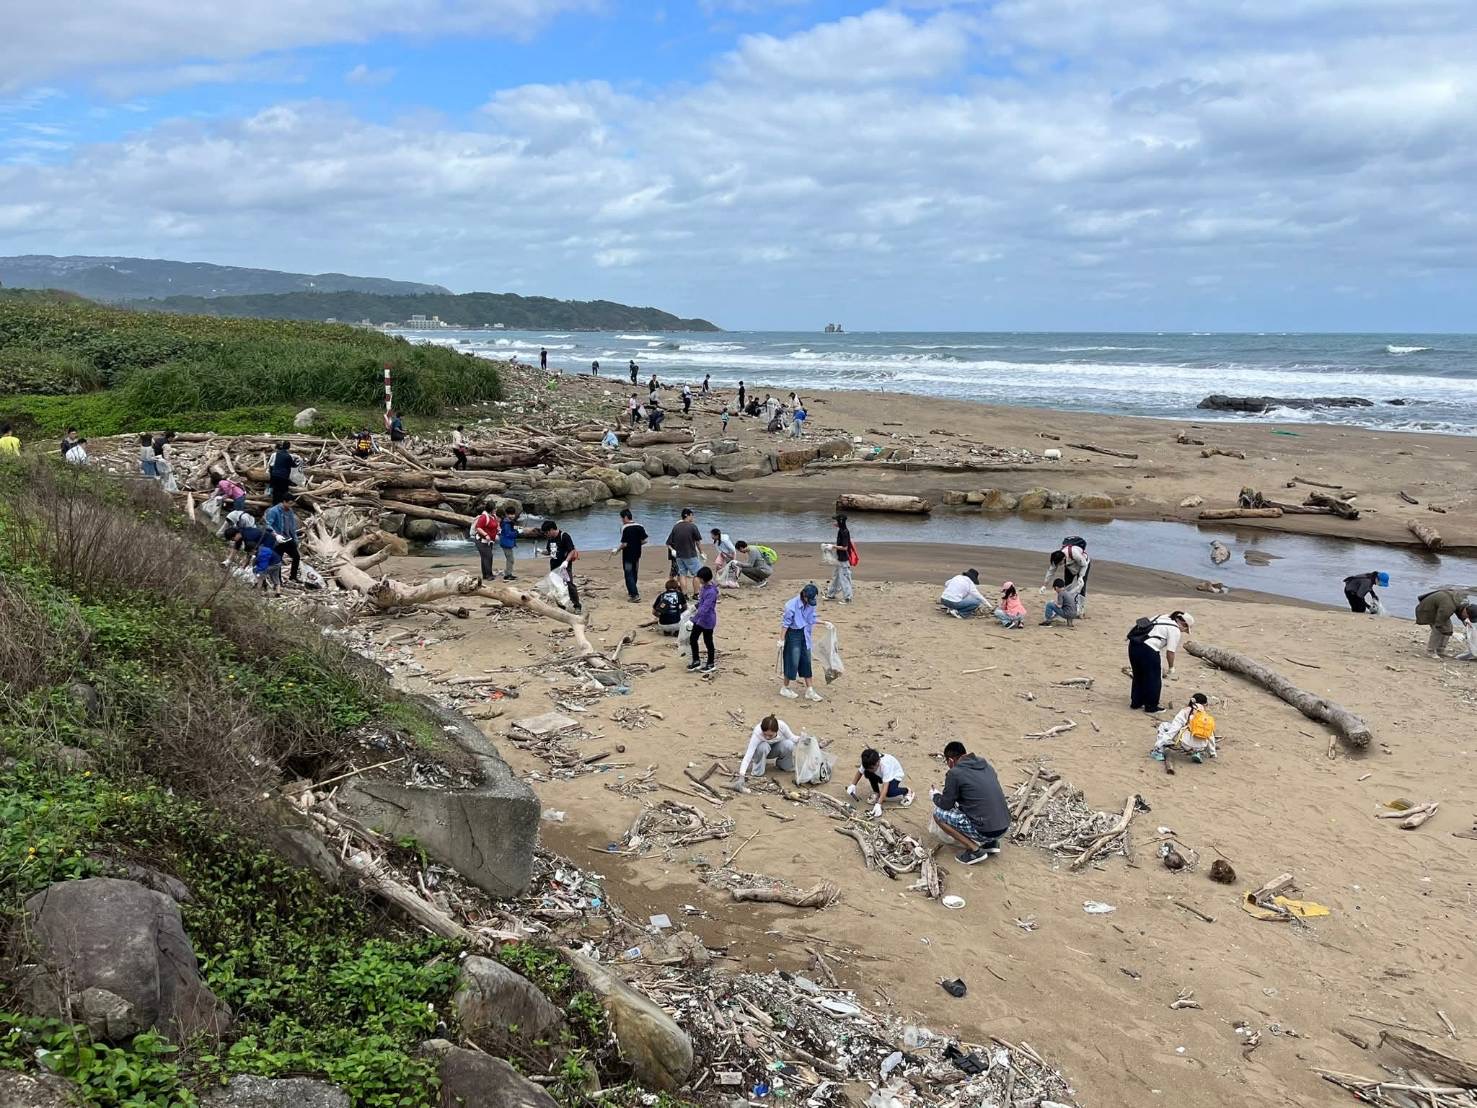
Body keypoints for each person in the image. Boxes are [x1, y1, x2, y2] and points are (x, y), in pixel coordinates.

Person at [931, 741, 1010, 865]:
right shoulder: (986, 766)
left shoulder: (955, 773)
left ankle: (974, 850)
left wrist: (935, 796)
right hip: (1004, 826)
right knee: (978, 804)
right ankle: (991, 843)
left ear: (950, 760)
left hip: (985, 830)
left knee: (938, 814)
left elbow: (946, 804)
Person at [1127, 611, 1194, 713]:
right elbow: (1170, 652)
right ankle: (1151, 706)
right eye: (1185, 630)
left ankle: (1136, 702)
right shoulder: (1175, 630)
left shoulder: (1162, 616)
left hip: (1134, 645)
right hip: (1149, 650)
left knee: (1138, 674)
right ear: (1184, 624)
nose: (1183, 631)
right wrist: (1171, 667)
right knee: (1154, 679)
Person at [780, 583, 824, 701]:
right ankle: (785, 687)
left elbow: (811, 618)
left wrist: (824, 623)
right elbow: (785, 624)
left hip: (805, 632)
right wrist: (781, 639)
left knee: (806, 659)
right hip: (793, 633)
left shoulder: (810, 604)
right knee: (792, 660)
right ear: (803, 595)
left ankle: (810, 689)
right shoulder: (790, 606)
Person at [1151, 693, 1217, 767]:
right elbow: (1210, 736)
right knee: (1200, 734)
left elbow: (1174, 729)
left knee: (1163, 726)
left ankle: (1158, 751)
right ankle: (1197, 752)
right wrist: (1213, 753)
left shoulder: (1185, 711)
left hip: (1186, 744)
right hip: (1201, 747)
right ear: (1205, 704)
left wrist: (1161, 743)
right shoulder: (1206, 717)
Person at [733, 716, 800, 787]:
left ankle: (783, 764)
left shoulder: (782, 726)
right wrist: (741, 776)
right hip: (761, 751)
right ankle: (758, 770)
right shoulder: (757, 732)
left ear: (776, 731)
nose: (767, 737)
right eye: (765, 734)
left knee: (789, 744)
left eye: (770, 735)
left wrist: (802, 739)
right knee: (763, 746)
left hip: (775, 749)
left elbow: (793, 738)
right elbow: (748, 756)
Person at [848, 748, 913, 817]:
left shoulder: (885, 766)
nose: (870, 770)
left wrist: (879, 804)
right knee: (868, 773)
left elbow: (885, 786)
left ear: (878, 762)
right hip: (881, 775)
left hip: (894, 775)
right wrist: (853, 785)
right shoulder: (867, 761)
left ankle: (907, 791)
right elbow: (860, 772)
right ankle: (876, 793)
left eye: (872, 768)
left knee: (889, 792)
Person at [1415, 587, 1474, 659]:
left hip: (1439, 608)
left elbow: (1460, 611)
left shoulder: (1463, 603)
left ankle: (1440, 650)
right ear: (1466, 611)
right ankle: (1430, 651)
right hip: (1427, 610)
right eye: (1468, 616)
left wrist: (1465, 620)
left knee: (1448, 627)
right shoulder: (1448, 607)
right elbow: (1439, 623)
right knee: (1438, 630)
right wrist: (1452, 633)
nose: (1468, 618)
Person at [1041, 538, 1091, 616]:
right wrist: (1044, 585)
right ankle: (1067, 604)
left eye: (1059, 564)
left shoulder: (1074, 553)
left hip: (1083, 565)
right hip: (1069, 567)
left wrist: (1081, 576)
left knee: (1081, 586)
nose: (1058, 565)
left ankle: (1081, 609)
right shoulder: (1057, 558)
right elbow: (1051, 572)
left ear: (1063, 558)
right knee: (1067, 585)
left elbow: (1084, 564)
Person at [540, 519, 580, 613]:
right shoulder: (550, 539)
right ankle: (561, 606)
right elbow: (550, 551)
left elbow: (571, 550)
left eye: (547, 532)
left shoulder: (564, 536)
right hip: (554, 566)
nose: (546, 535)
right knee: (556, 587)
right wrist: (541, 552)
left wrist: (566, 562)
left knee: (569, 585)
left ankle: (577, 606)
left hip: (564, 567)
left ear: (551, 530)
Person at [263, 494, 303, 583]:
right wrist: (275, 535)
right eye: (289, 503)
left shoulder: (290, 511)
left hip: (288, 538)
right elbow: (268, 525)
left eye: (292, 503)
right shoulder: (274, 511)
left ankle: (293, 576)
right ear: (284, 502)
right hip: (278, 540)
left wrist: (295, 539)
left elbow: (292, 527)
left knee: (296, 556)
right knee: (278, 560)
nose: (291, 505)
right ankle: (278, 581)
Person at [666, 508, 705, 598]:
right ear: (687, 515)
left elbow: (668, 542)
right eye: (692, 515)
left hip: (679, 555)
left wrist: (673, 550)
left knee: (682, 574)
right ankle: (696, 594)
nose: (693, 517)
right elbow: (698, 541)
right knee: (697, 574)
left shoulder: (676, 527)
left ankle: (684, 594)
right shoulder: (692, 526)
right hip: (690, 554)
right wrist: (701, 552)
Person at [688, 566, 719, 673]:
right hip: (700, 619)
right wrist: (694, 607)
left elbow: (705, 608)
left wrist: (693, 618)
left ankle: (711, 663)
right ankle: (696, 660)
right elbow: (702, 602)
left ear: (703, 578)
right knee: (693, 638)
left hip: (707, 620)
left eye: (700, 578)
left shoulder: (711, 592)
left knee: (708, 641)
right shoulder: (704, 588)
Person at [616, 508, 648, 602]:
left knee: (628, 573)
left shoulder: (625, 528)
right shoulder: (640, 526)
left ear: (625, 517)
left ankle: (634, 594)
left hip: (628, 554)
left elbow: (624, 544)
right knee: (634, 572)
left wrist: (617, 550)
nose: (622, 520)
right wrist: (636, 543)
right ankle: (632, 590)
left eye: (622, 518)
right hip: (637, 552)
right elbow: (644, 541)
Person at [824, 514, 854, 602]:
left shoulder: (844, 532)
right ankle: (831, 595)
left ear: (840, 522)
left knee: (844, 578)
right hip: (839, 557)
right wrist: (830, 546)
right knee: (836, 576)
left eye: (836, 521)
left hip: (844, 559)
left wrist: (833, 546)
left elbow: (845, 547)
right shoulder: (840, 530)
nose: (834, 522)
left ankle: (848, 598)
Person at [472, 504, 501, 579]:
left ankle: (486, 575)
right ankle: (488, 575)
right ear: (491, 510)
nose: (496, 509)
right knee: (488, 556)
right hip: (481, 541)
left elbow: (495, 526)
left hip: (489, 541)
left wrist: (497, 532)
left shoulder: (493, 516)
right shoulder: (484, 517)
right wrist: (486, 535)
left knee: (485, 557)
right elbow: (478, 528)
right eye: (495, 508)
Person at [497, 507, 520, 580]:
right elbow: (508, 534)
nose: (512, 515)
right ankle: (508, 575)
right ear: (506, 514)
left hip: (506, 543)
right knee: (510, 559)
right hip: (506, 543)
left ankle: (508, 573)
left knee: (510, 559)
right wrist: (516, 532)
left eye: (513, 514)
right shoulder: (506, 523)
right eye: (510, 514)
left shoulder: (508, 522)